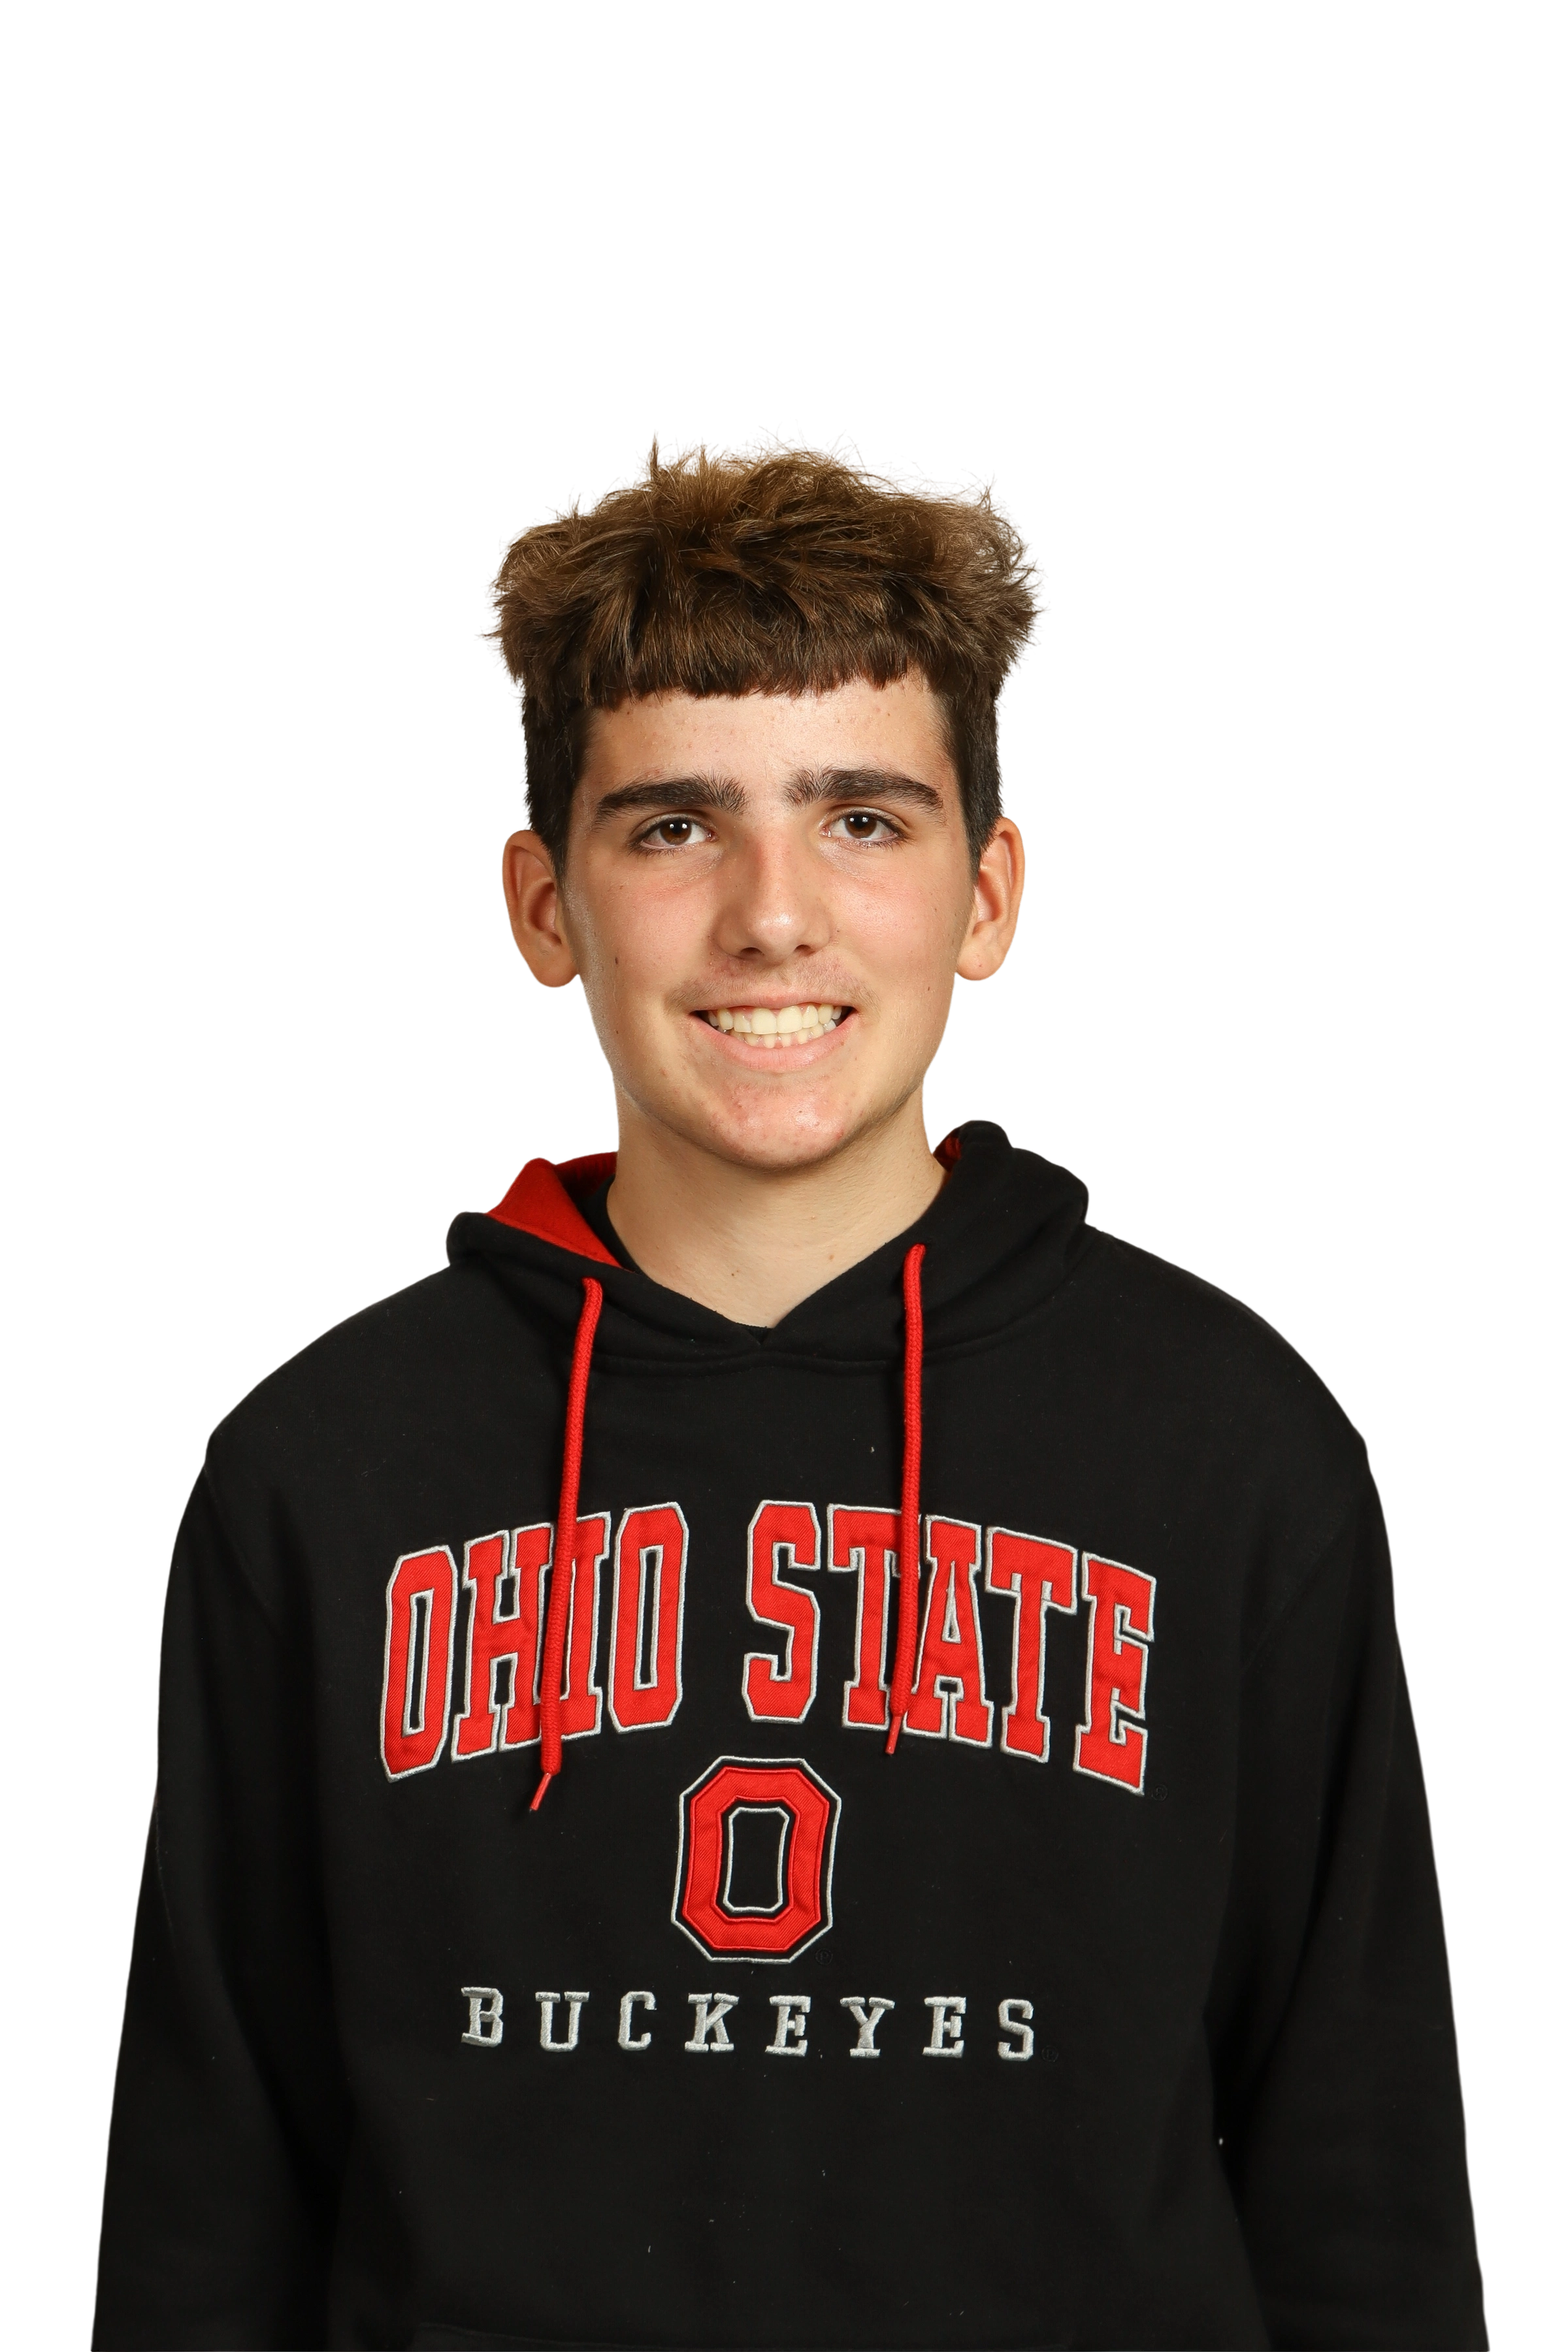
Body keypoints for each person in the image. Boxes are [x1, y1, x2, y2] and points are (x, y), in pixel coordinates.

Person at [93, 421, 1486, 2351]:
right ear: (544, 904)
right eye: (674, 825)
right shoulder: (320, 1471)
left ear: (987, 891)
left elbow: (1361, 2182)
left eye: (863, 820)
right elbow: (209, 2206)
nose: (771, 914)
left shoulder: (1232, 1448)